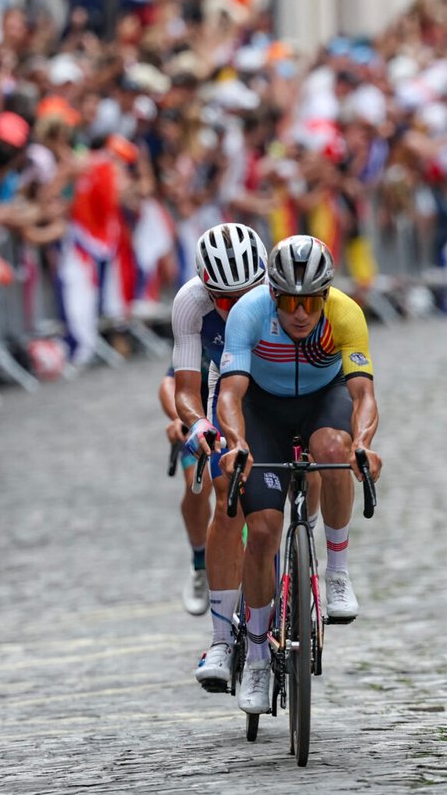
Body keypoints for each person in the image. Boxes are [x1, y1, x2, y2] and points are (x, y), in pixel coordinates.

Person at [214, 236, 381, 716]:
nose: (301, 314)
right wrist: (238, 443)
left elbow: (363, 396)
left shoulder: (346, 314)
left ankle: (338, 573)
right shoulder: (248, 313)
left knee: (334, 448)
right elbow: (230, 394)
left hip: (320, 400)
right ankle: (259, 659)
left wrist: (363, 443)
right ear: (273, 294)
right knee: (263, 529)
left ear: (326, 296)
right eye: (289, 301)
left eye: (311, 302)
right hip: (261, 408)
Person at [162, 223, 268, 691]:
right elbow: (185, 389)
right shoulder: (189, 303)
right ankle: (222, 638)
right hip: (219, 389)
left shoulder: (279, 292)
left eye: (246, 296)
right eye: (224, 299)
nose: (236, 308)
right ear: (206, 287)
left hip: (277, 387)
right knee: (222, 488)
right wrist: (196, 424)